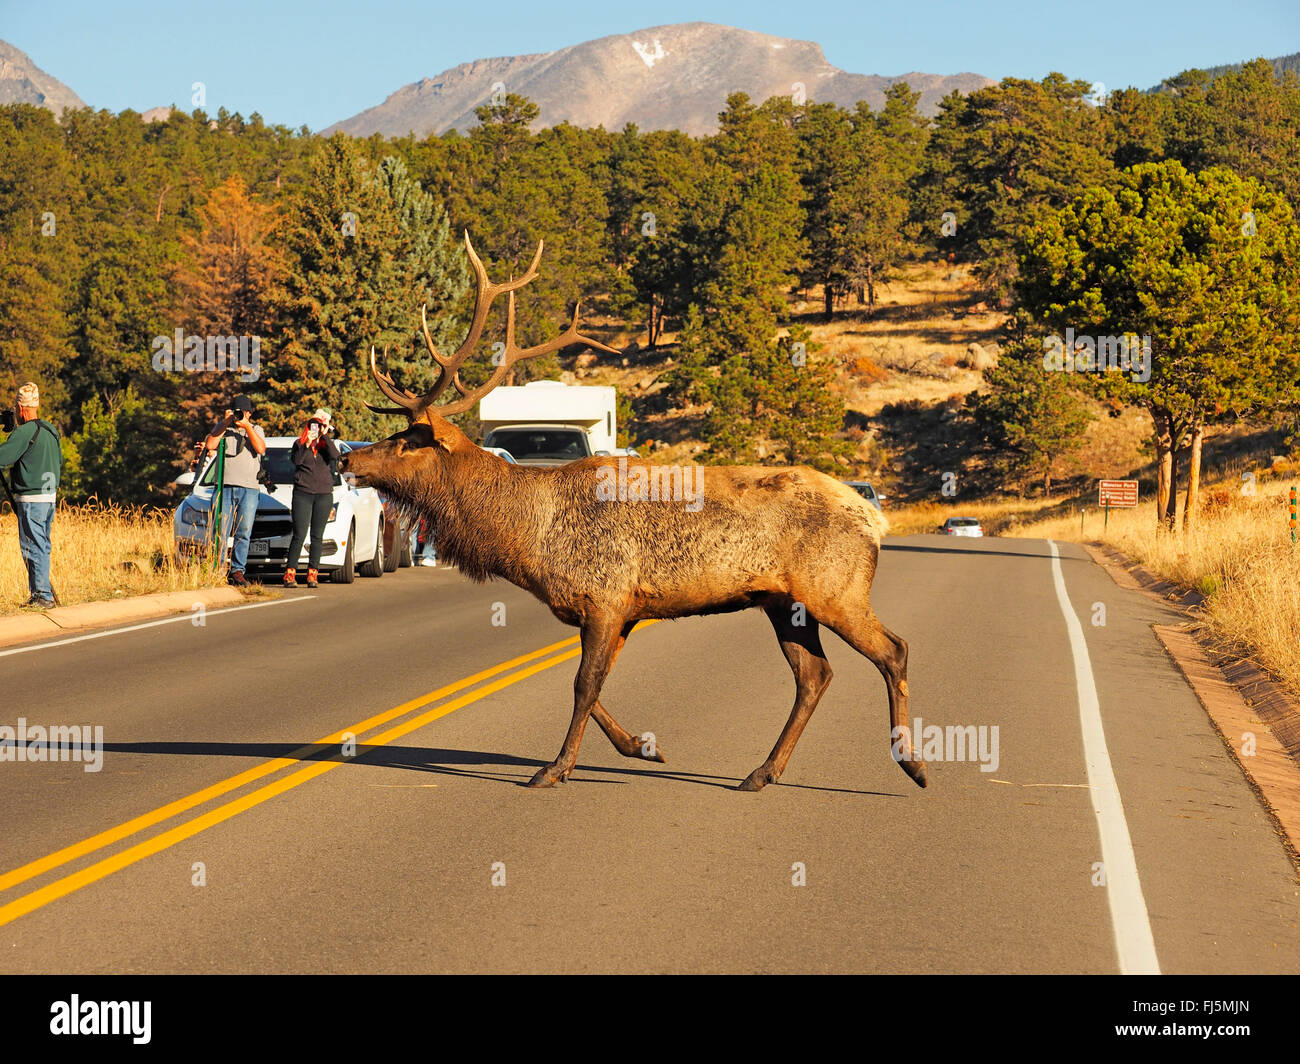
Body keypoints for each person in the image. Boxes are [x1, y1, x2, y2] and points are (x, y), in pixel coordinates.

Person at [0, 383, 61, 608]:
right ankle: (42, 593)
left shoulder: (25, 432)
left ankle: (42, 596)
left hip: (31, 499)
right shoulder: (51, 430)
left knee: (31, 546)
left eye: (16, 409)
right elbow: (59, 462)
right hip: (49, 497)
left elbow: (3, 458)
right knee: (42, 544)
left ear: (20, 408)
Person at [204, 395, 266, 587]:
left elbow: (261, 449)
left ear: (249, 413)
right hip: (224, 488)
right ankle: (218, 570)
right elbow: (210, 445)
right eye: (236, 411)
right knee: (220, 531)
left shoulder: (256, 430)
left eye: (243, 412)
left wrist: (246, 426)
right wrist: (225, 422)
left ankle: (238, 571)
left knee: (244, 531)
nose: (240, 415)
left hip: (249, 488)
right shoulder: (224, 430)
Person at [284, 409, 338, 588]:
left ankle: (312, 574)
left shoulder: (325, 445)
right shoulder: (299, 444)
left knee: (317, 536)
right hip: (303, 494)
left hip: (323, 495)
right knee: (299, 534)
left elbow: (336, 456)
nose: (317, 428)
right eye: (313, 425)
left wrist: (325, 435)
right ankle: (290, 574)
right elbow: (297, 461)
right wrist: (306, 443)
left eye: (320, 426)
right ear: (308, 427)